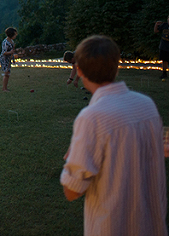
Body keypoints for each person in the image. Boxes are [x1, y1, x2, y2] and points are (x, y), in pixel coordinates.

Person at [60, 35, 167, 236]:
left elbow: (72, 190)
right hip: (153, 226)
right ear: (116, 67)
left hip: (113, 228)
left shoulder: (92, 117)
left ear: (79, 70)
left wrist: (74, 154)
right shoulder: (147, 105)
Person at [0, 27, 17, 92]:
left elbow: (12, 51)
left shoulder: (12, 41)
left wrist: (13, 59)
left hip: (9, 59)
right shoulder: (5, 42)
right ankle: (4, 88)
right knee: (6, 73)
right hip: (4, 59)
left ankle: (5, 87)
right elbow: (4, 52)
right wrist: (10, 52)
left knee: (8, 73)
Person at [153, 15, 169, 79]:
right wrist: (156, 25)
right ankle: (164, 73)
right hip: (164, 46)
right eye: (168, 18)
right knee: (164, 60)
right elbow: (156, 31)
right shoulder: (164, 25)